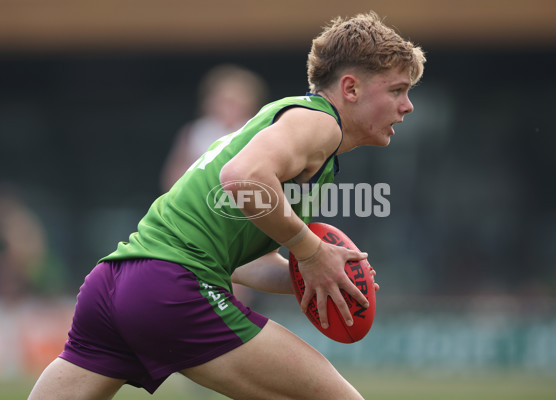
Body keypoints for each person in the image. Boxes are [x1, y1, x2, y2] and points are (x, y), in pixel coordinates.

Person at [28, 11, 425, 400]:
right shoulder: (320, 122)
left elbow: (237, 256)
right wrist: (310, 249)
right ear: (351, 89)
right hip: (173, 286)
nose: (407, 105)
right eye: (396, 91)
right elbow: (241, 178)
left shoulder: (287, 127)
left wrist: (317, 273)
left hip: (116, 282)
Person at [160, 64, 268, 193]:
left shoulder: (258, 130)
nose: (229, 108)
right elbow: (174, 177)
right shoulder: (195, 131)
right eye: (224, 101)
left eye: (235, 102)